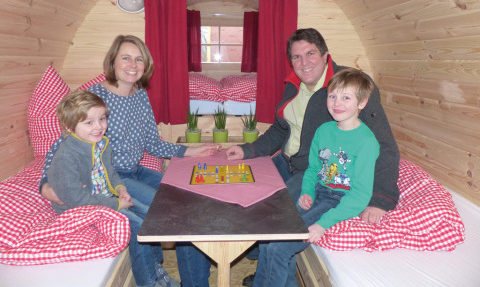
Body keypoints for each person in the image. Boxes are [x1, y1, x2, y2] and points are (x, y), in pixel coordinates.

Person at [178, 28, 400, 287]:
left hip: (307, 171)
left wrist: (381, 199)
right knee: (244, 192)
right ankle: (261, 258)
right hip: (285, 161)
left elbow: (384, 144)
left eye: (310, 53)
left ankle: (269, 270)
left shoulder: (348, 87)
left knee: (276, 218)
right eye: (296, 57)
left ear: (326, 55)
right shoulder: (293, 86)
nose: (304, 62)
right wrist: (247, 150)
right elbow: (280, 128)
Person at [39, 35, 219, 287]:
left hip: (135, 171)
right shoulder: (95, 97)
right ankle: (158, 277)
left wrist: (191, 151)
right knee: (174, 215)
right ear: (112, 61)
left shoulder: (140, 94)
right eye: (126, 58)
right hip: (113, 176)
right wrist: (45, 184)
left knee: (189, 198)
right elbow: (62, 145)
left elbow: (152, 143)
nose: (133, 65)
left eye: (139, 59)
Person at [253, 67, 380, 286]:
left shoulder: (367, 142)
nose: (336, 103)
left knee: (279, 247)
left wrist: (323, 224)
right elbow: (313, 169)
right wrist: (307, 192)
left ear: (362, 103)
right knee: (269, 233)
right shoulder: (323, 130)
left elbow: (360, 195)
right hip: (318, 190)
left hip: (339, 200)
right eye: (332, 96)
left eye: (346, 97)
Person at [47, 90, 174, 287]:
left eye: (102, 119)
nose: (99, 127)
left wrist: (120, 189)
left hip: (105, 198)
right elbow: (77, 199)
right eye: (89, 122)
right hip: (82, 209)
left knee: (150, 215)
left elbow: (111, 173)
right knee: (137, 225)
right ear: (70, 126)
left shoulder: (101, 144)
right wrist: (116, 203)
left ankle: (155, 266)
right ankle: (148, 282)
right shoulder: (66, 157)